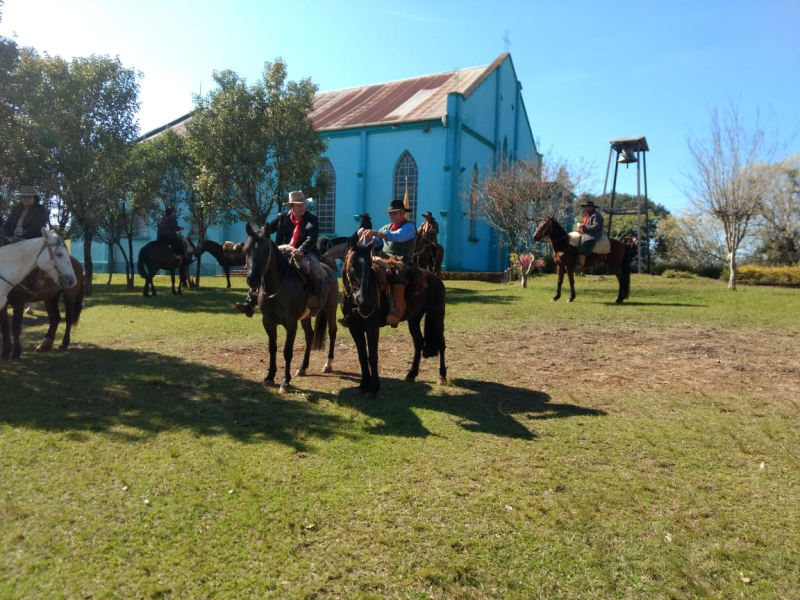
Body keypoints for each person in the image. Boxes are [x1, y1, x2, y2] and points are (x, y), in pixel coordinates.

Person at [235, 190, 327, 317]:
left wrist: (301, 250)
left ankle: (315, 300)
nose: (302, 207)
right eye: (299, 205)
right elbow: (266, 230)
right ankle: (250, 300)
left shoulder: (312, 219)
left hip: (306, 252)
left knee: (317, 271)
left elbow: (311, 238)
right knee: (263, 267)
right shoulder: (281, 218)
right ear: (291, 206)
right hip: (282, 251)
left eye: (303, 204)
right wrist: (255, 237)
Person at [357, 199, 417, 326]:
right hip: (383, 257)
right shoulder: (385, 228)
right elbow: (375, 242)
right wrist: (364, 236)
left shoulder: (409, 226)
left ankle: (396, 311)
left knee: (397, 273)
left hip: (402, 260)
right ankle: (361, 307)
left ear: (402, 213)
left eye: (394, 213)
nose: (391, 216)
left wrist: (377, 233)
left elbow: (398, 236)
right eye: (390, 214)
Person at [577, 199, 604, 270]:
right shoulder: (588, 215)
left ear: (591, 207)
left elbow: (596, 226)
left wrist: (584, 227)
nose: (585, 208)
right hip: (586, 233)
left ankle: (580, 265)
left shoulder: (596, 216)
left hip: (593, 235)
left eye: (586, 207)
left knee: (583, 247)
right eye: (584, 207)